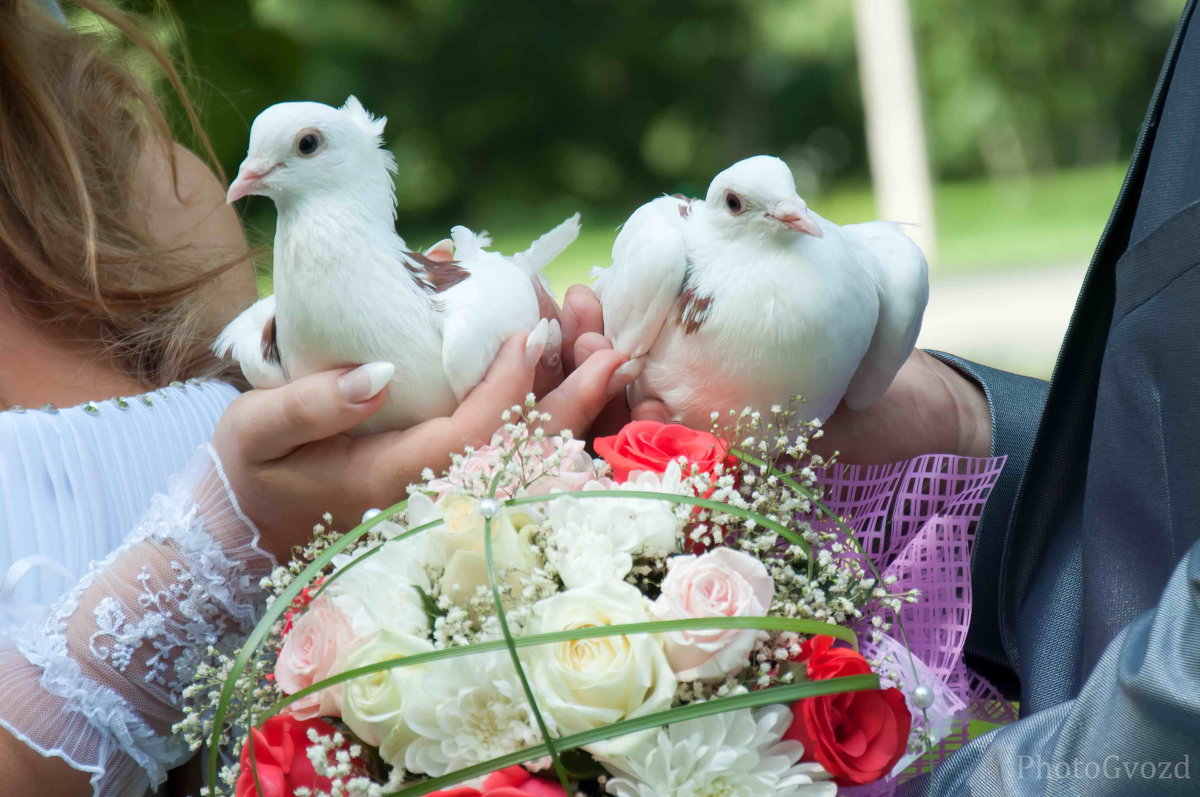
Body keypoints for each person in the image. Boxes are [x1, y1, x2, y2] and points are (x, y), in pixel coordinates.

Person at [0, 1, 633, 794]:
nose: (251, 172)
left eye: (296, 149)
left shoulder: (143, 178)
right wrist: (223, 550)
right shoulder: (249, 278)